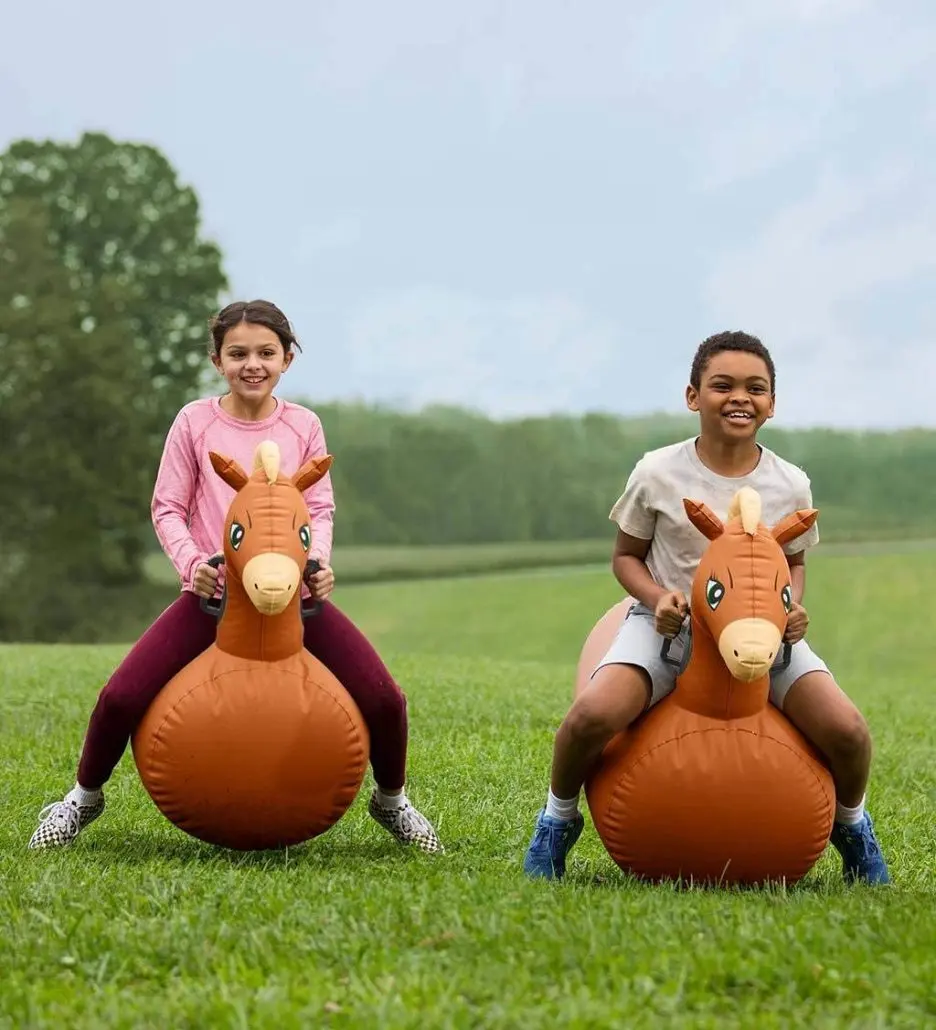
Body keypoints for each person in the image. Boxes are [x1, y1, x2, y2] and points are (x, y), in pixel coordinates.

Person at [29, 299, 443, 855]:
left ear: (287, 359)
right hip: (215, 596)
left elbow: (317, 507)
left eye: (266, 353)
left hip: (293, 596)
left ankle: (392, 801)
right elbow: (167, 506)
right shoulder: (194, 422)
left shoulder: (304, 425)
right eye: (239, 353)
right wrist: (193, 567)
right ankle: (82, 798)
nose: (253, 364)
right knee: (121, 695)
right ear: (217, 360)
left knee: (385, 699)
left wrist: (315, 565)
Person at [522, 330, 889, 884]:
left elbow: (793, 563)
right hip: (672, 628)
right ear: (694, 397)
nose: (739, 397)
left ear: (772, 403)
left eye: (755, 388)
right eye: (722, 385)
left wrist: (792, 610)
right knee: (590, 717)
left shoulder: (791, 484)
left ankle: (852, 824)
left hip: (763, 637)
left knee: (849, 731)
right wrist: (656, 598)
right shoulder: (657, 473)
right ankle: (558, 818)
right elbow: (626, 558)